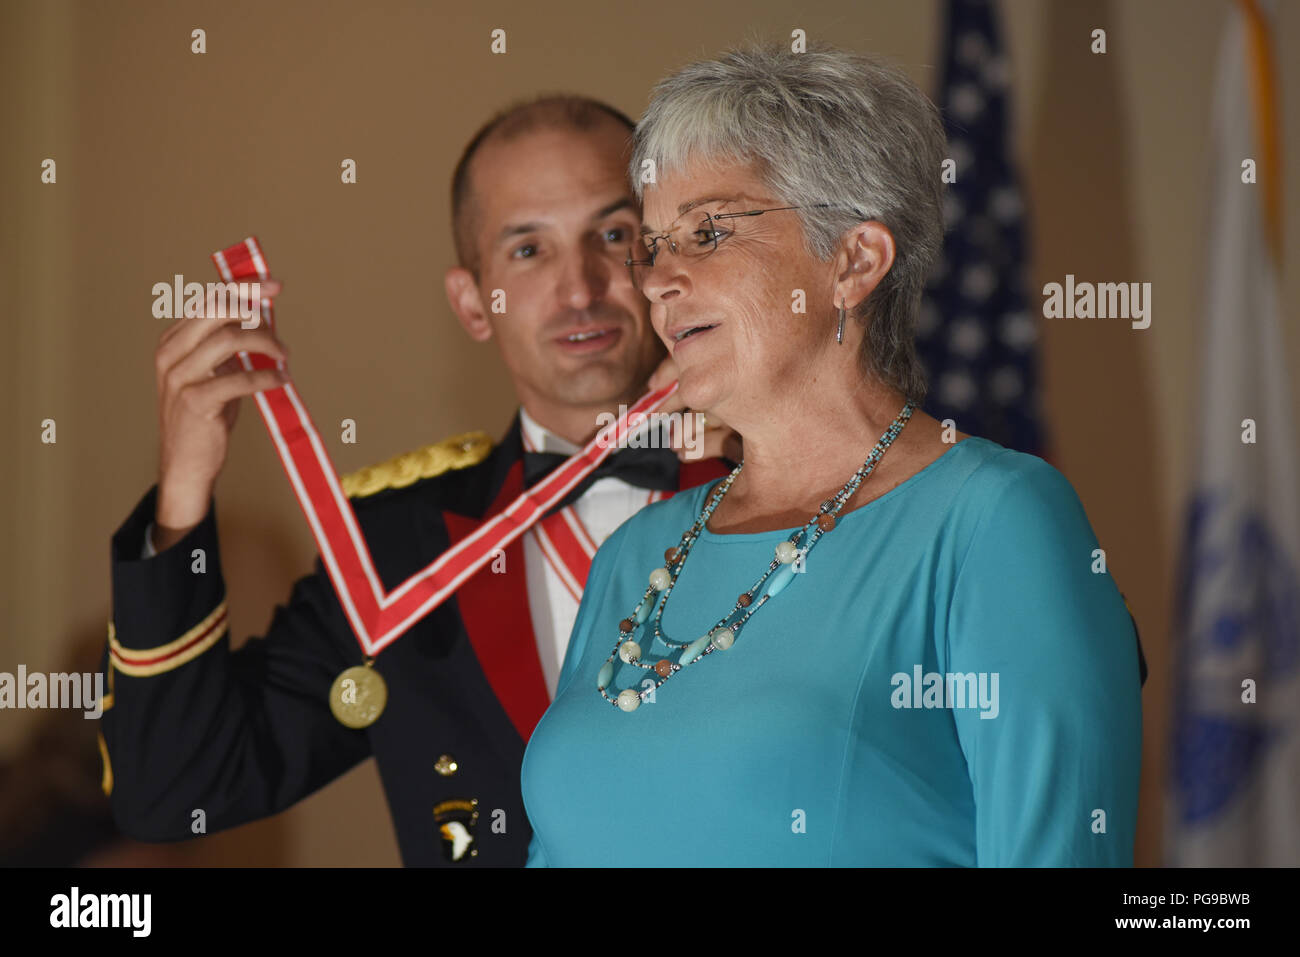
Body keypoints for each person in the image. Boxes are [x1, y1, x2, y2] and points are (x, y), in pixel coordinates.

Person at [520, 45, 1144, 866]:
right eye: (653, 244)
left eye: (707, 232)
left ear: (854, 261)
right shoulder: (635, 554)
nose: (657, 280)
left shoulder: (994, 520)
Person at [99, 95, 733, 867]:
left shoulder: (790, 489)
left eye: (614, 234)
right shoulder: (396, 551)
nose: (581, 287)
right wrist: (183, 496)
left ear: (665, 264)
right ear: (471, 303)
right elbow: (176, 792)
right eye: (528, 250)